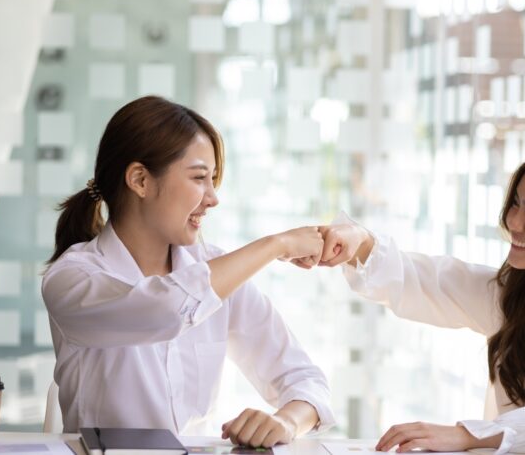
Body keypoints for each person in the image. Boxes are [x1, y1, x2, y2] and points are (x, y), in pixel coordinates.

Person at [315, 142, 525, 453]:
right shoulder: (512, 296)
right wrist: (357, 242)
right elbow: (427, 281)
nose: (513, 221)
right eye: (516, 204)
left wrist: (470, 434)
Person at [42, 96, 335, 446]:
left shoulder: (219, 274)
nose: (213, 198)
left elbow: (306, 380)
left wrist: (286, 422)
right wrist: (276, 245)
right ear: (140, 180)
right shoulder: (72, 278)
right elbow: (164, 310)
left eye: (213, 180)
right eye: (199, 178)